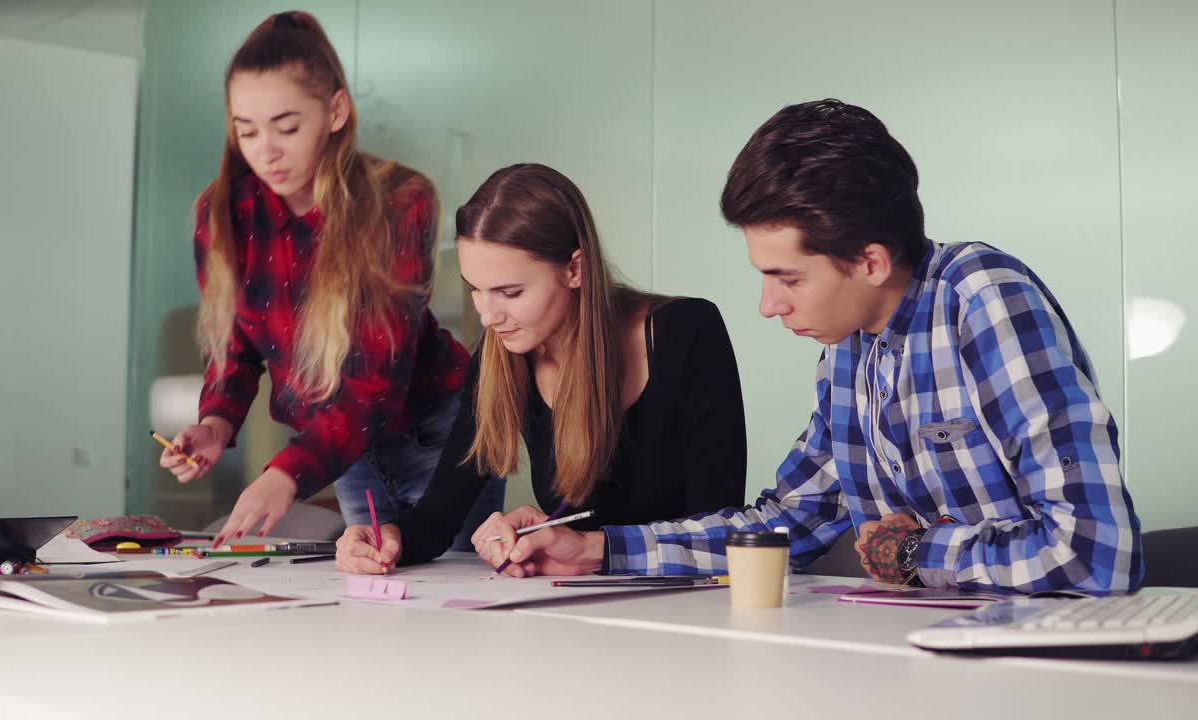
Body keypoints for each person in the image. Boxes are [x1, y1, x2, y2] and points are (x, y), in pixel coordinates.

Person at [487, 100, 1143, 594]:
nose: (768, 305)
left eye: (789, 279)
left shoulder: (983, 299)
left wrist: (916, 553)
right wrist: (595, 549)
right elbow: (790, 523)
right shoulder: (848, 351)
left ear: (870, 261)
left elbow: (1096, 553)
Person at [159, 11, 502, 548]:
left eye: (287, 127)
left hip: (439, 435)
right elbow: (233, 347)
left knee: (456, 584)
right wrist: (215, 425)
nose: (266, 150)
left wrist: (286, 474)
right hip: (342, 448)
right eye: (247, 131)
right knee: (368, 582)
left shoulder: (399, 201)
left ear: (336, 111)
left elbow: (376, 381)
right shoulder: (222, 214)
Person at [335, 163, 748, 576]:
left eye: (510, 292)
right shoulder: (502, 354)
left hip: (685, 603)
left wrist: (587, 548)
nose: (488, 316)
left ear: (574, 269)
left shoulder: (686, 332)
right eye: (475, 289)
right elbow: (437, 519)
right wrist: (387, 538)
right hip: (574, 604)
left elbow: (718, 531)